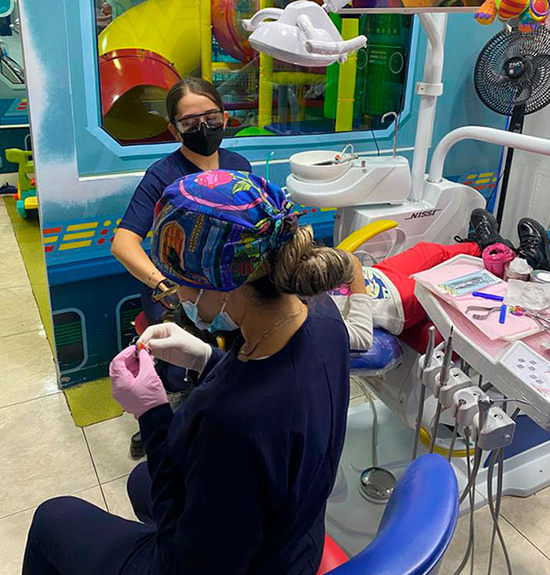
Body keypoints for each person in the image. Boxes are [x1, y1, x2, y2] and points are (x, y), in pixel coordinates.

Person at [24, 171, 355, 575]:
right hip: (297, 533)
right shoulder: (323, 318)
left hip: (249, 565)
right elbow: (267, 382)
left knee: (54, 518)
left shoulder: (232, 422)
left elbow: (190, 564)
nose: (178, 296)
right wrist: (205, 358)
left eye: (180, 283)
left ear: (225, 284)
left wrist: (150, 413)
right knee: (140, 480)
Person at [112, 77, 251, 455]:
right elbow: (123, 242)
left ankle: (234, 411)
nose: (203, 127)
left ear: (225, 117)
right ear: (174, 130)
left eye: (211, 117)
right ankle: (166, 415)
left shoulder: (239, 166)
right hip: (175, 288)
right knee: (186, 352)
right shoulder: (162, 174)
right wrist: (163, 285)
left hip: (227, 281)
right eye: (190, 122)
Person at [329, 208, 550, 349]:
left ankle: (487, 245)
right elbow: (360, 337)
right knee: (459, 277)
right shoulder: (314, 325)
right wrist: (355, 275)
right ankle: (526, 261)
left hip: (378, 275)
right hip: (395, 304)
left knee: (428, 251)